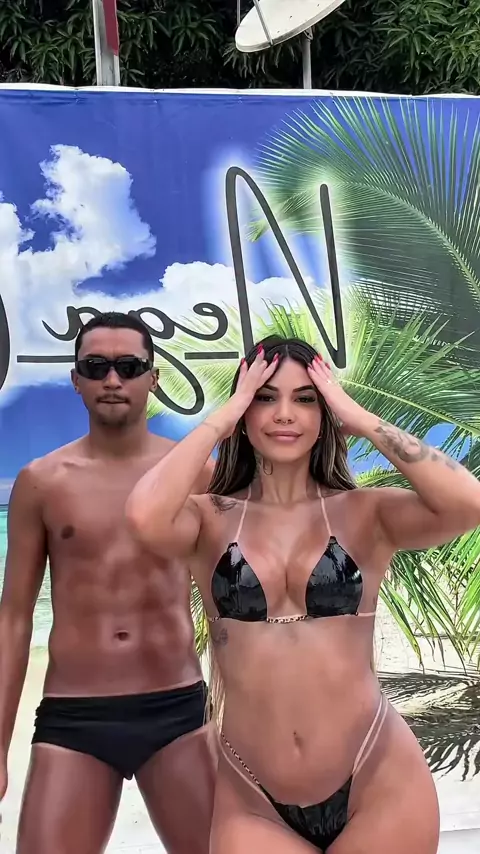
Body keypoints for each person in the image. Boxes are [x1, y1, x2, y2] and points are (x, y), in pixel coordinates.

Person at [126, 334, 480, 854]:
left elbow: (468, 503)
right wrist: (223, 418)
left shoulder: (365, 513)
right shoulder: (209, 519)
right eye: (265, 397)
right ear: (245, 410)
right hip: (253, 795)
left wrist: (360, 418)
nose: (284, 413)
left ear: (324, 412)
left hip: (377, 776)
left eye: (305, 398)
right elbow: (142, 515)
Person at [0, 311, 217, 854]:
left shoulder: (195, 474)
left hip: (178, 711)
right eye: (96, 367)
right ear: (76, 379)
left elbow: (231, 606)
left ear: (154, 377)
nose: (113, 379)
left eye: (129, 366)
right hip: (75, 715)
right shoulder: (41, 482)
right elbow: (14, 619)